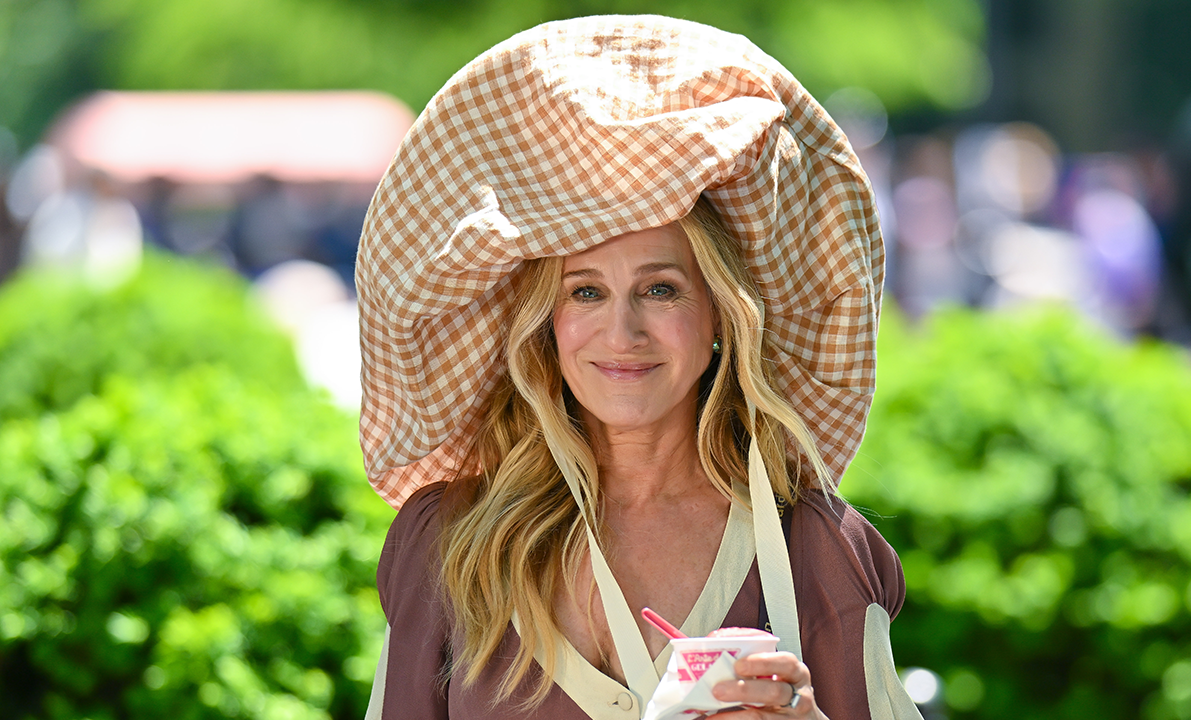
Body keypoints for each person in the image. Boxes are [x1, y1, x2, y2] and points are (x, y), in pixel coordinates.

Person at [356, 15, 922, 720]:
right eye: (585, 292)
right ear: (546, 324)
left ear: (719, 316)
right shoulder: (450, 541)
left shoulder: (816, 546)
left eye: (660, 289)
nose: (622, 333)